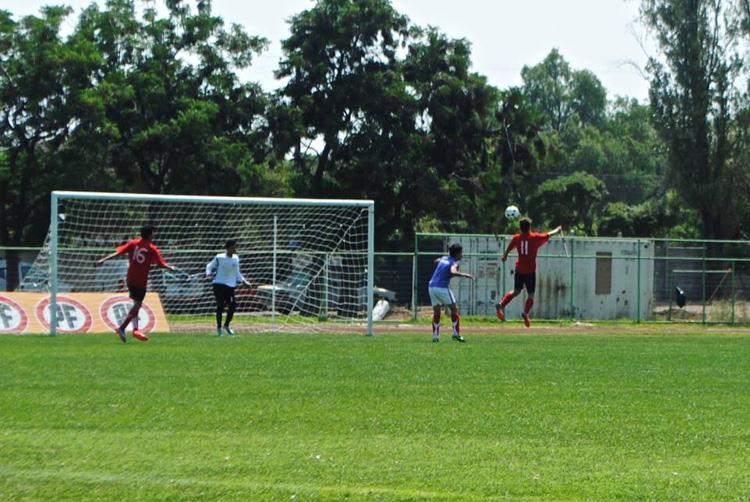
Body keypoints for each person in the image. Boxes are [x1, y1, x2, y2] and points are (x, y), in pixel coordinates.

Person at [95, 224, 175, 342]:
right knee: (137, 304)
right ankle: (122, 328)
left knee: (136, 303)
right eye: (153, 233)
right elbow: (161, 264)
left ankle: (135, 329)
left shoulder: (133, 243)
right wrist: (171, 268)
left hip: (130, 278)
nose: (154, 235)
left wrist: (103, 259)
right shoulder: (151, 248)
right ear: (149, 234)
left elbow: (118, 253)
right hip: (140, 281)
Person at [496, 217, 562, 327]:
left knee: (516, 291)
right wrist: (557, 230)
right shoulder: (534, 237)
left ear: (520, 228)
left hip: (519, 270)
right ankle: (525, 313)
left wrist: (505, 256)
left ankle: (501, 304)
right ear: (529, 227)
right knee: (530, 295)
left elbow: (509, 248)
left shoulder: (517, 238)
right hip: (530, 271)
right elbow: (547, 235)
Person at [427, 243, 474, 343]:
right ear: (457, 254)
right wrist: (465, 275)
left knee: (437, 312)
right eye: (461, 253)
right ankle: (455, 334)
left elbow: (436, 261)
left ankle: (435, 336)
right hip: (441, 287)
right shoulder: (454, 262)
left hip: (431, 286)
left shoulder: (444, 258)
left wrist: (442, 271)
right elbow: (452, 271)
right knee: (454, 308)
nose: (462, 255)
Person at [205, 239, 251, 336]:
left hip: (230, 286)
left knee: (233, 306)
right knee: (220, 306)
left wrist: (244, 281)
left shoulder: (236, 258)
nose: (236, 248)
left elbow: (237, 272)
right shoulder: (219, 257)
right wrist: (208, 273)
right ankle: (219, 328)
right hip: (219, 285)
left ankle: (226, 325)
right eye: (234, 246)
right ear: (229, 247)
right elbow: (209, 266)